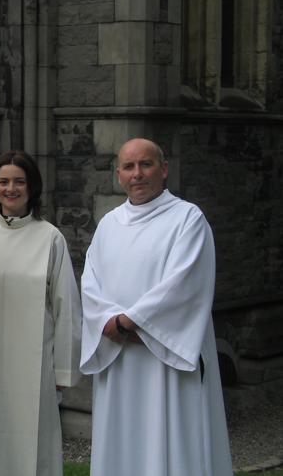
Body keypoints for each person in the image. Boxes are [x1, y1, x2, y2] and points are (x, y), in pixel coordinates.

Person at [80, 138, 232, 476]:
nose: (137, 174)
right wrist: (109, 322)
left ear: (163, 169)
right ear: (118, 174)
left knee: (173, 444)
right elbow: (90, 284)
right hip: (119, 361)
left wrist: (126, 324)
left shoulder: (187, 220)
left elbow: (183, 285)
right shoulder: (109, 225)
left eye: (146, 164)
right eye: (129, 167)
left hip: (167, 362)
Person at [0, 150, 81, 476]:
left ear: (32, 186)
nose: (11, 188)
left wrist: (62, 372)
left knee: (32, 446)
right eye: (4, 182)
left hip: (35, 368)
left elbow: (67, 308)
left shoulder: (51, 239)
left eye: (19, 181)